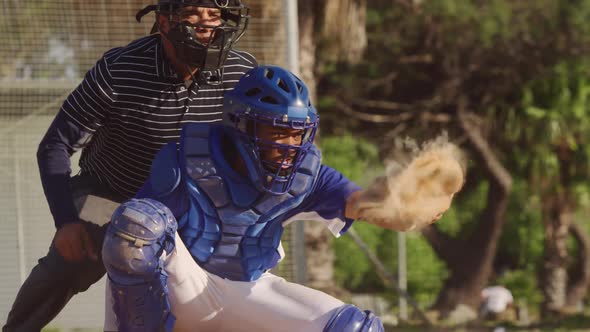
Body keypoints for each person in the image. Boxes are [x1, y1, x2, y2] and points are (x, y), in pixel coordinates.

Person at [102, 65, 457, 331]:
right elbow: (128, 238)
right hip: (183, 287)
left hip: (248, 288)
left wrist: (407, 205)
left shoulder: (307, 174)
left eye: (297, 133)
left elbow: (364, 204)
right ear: (241, 124)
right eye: (279, 130)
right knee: (139, 224)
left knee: (355, 329)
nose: (290, 146)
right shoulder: (187, 161)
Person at [3, 1, 255, 331]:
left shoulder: (241, 73)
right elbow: (55, 145)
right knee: (68, 265)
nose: (208, 26)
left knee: (226, 281)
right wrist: (65, 222)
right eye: (195, 16)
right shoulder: (119, 69)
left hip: (192, 204)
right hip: (110, 193)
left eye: (215, 16)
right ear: (164, 21)